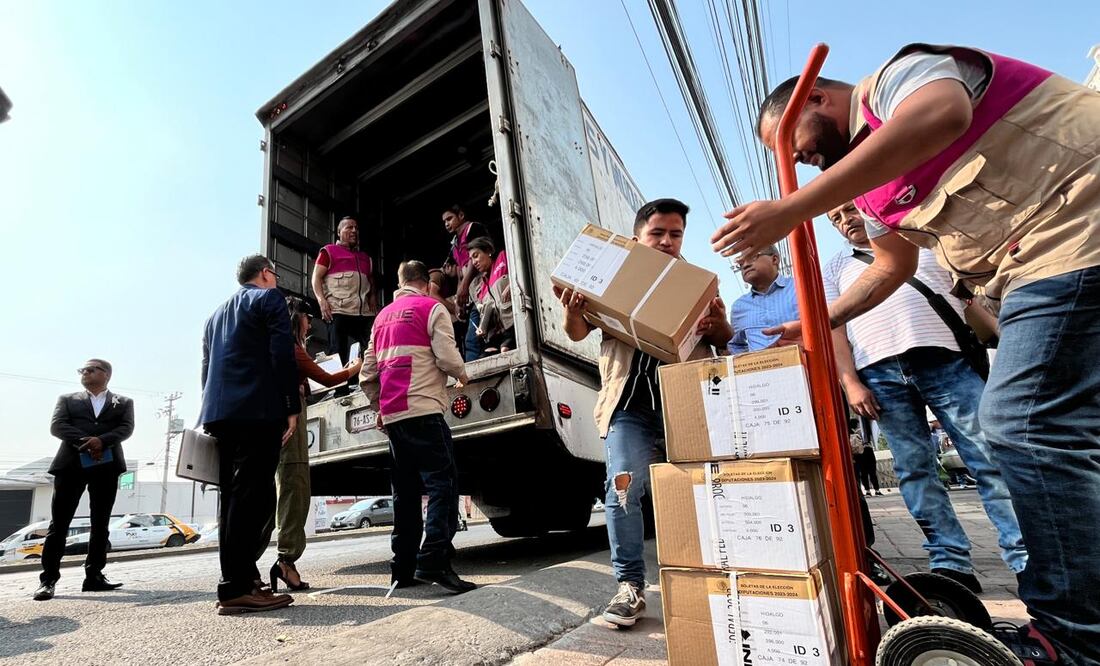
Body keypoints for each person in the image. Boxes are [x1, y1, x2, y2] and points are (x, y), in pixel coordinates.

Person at [712, 44, 1100, 662]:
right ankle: (1046, 608)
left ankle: (1074, 640)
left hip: (1077, 229)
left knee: (1020, 427)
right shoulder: (871, 190)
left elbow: (942, 114)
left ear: (816, 98)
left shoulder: (896, 80)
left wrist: (792, 208)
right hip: (1032, 271)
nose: (799, 160)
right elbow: (891, 265)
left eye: (793, 144)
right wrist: (821, 320)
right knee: (1023, 436)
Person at [823, 200, 1026, 591]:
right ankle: (950, 561)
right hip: (879, 374)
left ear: (868, 208)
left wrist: (1009, 343)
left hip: (946, 361)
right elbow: (835, 329)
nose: (845, 220)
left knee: (988, 457)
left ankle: (1025, 557)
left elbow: (970, 298)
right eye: (836, 217)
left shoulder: (922, 240)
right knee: (914, 470)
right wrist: (850, 382)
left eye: (850, 209)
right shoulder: (834, 268)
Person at [555, 198, 733, 627]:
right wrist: (573, 311)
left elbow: (724, 337)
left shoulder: (697, 285)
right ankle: (630, 588)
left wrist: (718, 326)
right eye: (658, 233)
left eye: (675, 234)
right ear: (637, 238)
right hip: (629, 409)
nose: (667, 241)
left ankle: (711, 581)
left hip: (683, 406)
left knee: (702, 492)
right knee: (622, 489)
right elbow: (577, 331)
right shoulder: (617, 276)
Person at [360, 260, 474, 594]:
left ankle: (402, 569)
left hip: (395, 418)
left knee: (405, 494)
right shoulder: (431, 308)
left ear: (401, 283)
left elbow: (367, 374)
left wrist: (380, 406)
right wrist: (463, 375)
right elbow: (447, 357)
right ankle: (435, 558)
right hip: (424, 409)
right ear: (426, 284)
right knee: (442, 485)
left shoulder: (381, 318)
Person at [201, 254, 300, 615]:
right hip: (257, 411)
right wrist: (290, 405)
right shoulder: (268, 298)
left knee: (232, 500)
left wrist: (211, 412)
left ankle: (238, 579)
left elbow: (206, 369)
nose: (276, 280)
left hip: (220, 413)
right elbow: (281, 353)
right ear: (265, 274)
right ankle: (237, 587)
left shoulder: (214, 316)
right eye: (275, 274)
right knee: (253, 498)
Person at [258, 297, 363, 592]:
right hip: (290, 427)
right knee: (295, 488)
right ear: (297, 319)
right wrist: (354, 368)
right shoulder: (290, 348)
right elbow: (328, 380)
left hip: (274, 423)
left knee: (284, 490)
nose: (309, 324)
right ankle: (285, 560)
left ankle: (270, 563)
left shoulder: (276, 347)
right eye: (307, 318)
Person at [33, 360, 134, 601]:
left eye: (91, 369)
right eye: (82, 370)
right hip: (70, 466)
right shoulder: (68, 399)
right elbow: (58, 426)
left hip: (106, 467)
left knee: (101, 523)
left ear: (106, 374)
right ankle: (48, 580)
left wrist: (103, 441)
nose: (85, 373)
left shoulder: (123, 402)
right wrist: (88, 442)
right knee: (59, 523)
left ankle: (94, 576)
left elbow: (126, 428)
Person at [311, 216, 378, 397]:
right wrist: (321, 300)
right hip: (338, 309)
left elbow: (371, 281)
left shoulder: (366, 258)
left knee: (373, 345)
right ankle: (340, 391)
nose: (354, 231)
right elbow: (316, 277)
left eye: (356, 228)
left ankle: (370, 382)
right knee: (337, 349)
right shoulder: (328, 252)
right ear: (339, 232)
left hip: (363, 312)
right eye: (349, 227)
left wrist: (373, 296)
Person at [727, 244, 799, 354]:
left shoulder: (799, 288)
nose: (745, 265)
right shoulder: (739, 307)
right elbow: (735, 345)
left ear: (774, 259)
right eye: (740, 264)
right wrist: (751, 361)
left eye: (752, 257)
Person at [441, 205, 490, 361]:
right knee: (471, 339)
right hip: (473, 293)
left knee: (474, 340)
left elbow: (475, 259)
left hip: (486, 288)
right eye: (444, 221)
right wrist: (459, 300)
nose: (446, 224)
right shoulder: (454, 242)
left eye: (449, 218)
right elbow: (460, 271)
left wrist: (463, 286)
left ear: (461, 215)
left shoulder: (473, 229)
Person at [466, 236, 513, 356]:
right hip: (497, 335)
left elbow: (522, 272)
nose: (474, 262)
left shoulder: (503, 257)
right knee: (484, 356)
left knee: (505, 349)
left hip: (513, 325)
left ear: (488, 251)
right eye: (471, 259)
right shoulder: (481, 286)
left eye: (476, 255)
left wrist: (512, 285)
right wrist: (482, 328)